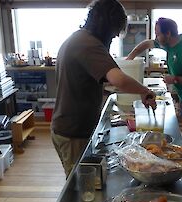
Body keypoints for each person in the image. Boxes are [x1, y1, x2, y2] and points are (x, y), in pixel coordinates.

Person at [51, 0, 156, 178]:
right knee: (80, 186)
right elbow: (119, 79)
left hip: (70, 127)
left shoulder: (79, 37)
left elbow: (93, 81)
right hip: (73, 132)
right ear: (107, 26)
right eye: (114, 33)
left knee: (84, 181)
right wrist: (144, 91)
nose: (114, 38)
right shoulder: (89, 44)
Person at [127, 17, 182, 181]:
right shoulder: (168, 44)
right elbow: (146, 44)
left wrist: (176, 79)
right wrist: (129, 59)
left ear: (169, 33)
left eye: (158, 34)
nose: (156, 38)